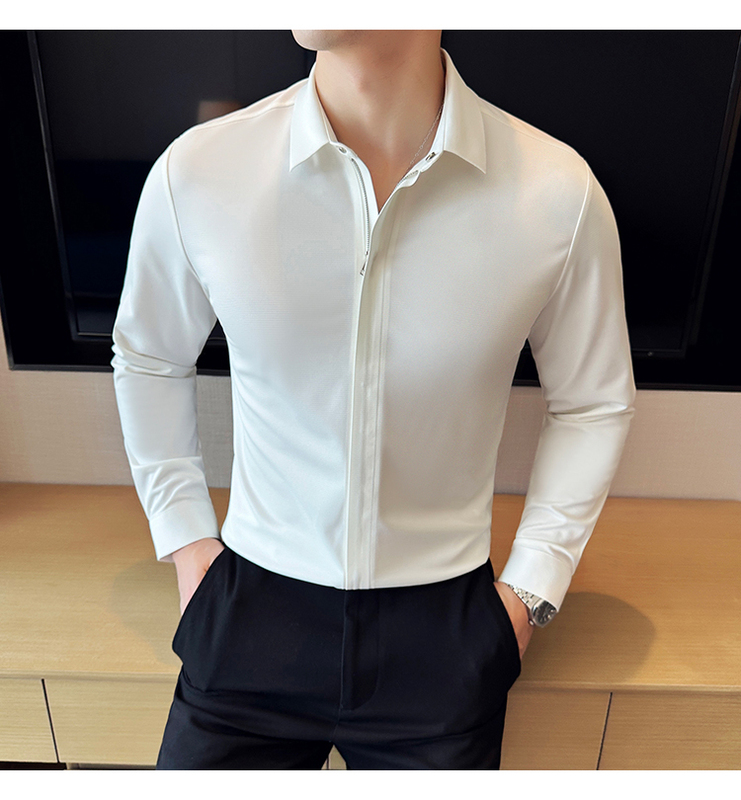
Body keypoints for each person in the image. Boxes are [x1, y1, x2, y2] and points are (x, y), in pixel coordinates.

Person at [110, 30, 636, 769]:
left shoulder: (557, 193)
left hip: (444, 628)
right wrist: (188, 544)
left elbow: (593, 401)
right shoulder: (201, 170)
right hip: (249, 607)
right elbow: (148, 355)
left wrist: (528, 592)